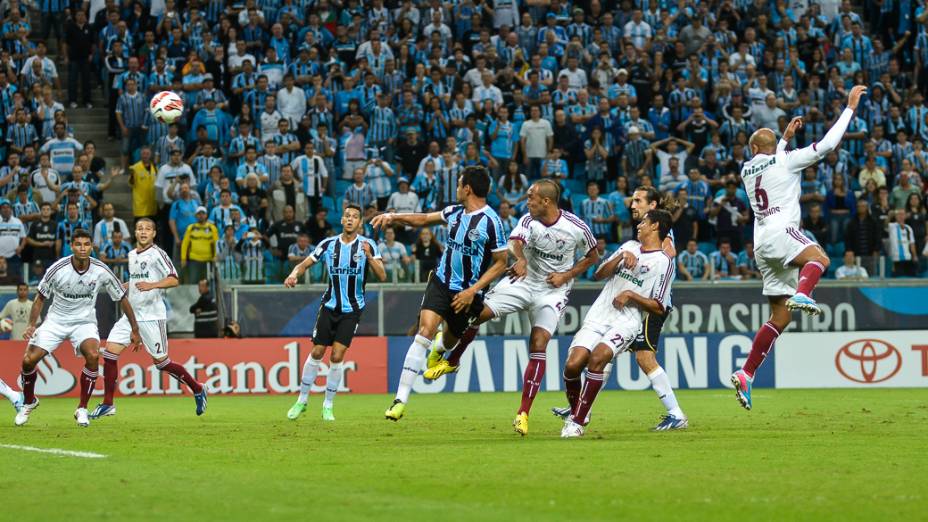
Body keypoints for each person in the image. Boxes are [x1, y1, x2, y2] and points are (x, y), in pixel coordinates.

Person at [425, 179, 598, 436]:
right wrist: (520, 259)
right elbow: (516, 242)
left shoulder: (576, 227)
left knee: (539, 344)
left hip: (553, 291)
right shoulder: (529, 220)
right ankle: (453, 360)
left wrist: (567, 275)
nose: (527, 201)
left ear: (546, 201)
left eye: (531, 197)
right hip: (523, 281)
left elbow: (593, 257)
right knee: (476, 314)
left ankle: (523, 413)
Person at [731, 85, 867, 411]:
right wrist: (849, 108)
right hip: (783, 230)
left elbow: (769, 157)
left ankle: (747, 372)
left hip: (762, 244)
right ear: (768, 147)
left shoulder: (747, 169)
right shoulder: (787, 162)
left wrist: (783, 139)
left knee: (780, 316)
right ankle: (805, 292)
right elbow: (829, 144)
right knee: (819, 257)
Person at [371, 166, 508, 421]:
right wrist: (393, 216)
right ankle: (400, 400)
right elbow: (423, 219)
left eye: (458, 184)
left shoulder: (491, 221)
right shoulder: (455, 212)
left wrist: (473, 290)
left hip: (467, 294)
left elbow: (501, 261)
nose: (456, 188)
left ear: (467, 188)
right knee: (424, 332)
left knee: (449, 340)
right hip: (442, 283)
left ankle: (441, 347)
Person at [560, 210, 674, 438]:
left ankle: (578, 422)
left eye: (644, 222)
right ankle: (577, 412)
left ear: (656, 226)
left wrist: (632, 295)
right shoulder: (628, 246)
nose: (639, 225)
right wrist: (619, 258)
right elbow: (598, 274)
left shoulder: (664, 262)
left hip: (626, 322)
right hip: (599, 315)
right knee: (572, 366)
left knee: (598, 358)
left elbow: (659, 306)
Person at [14, 229, 141, 427]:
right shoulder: (58, 268)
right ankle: (29, 401)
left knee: (93, 356)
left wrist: (135, 328)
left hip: (84, 322)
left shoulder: (101, 270)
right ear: (71, 246)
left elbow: (122, 298)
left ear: (92, 246)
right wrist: (31, 324)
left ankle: (82, 408)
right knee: (28, 361)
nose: (83, 248)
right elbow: (40, 297)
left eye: (86, 244)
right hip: (56, 321)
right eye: (78, 244)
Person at [90, 219, 207, 419]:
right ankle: (108, 403)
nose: (143, 232)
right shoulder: (131, 254)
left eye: (148, 229)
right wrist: (126, 285)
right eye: (140, 229)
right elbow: (138, 281)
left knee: (161, 363)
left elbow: (174, 279)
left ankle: (197, 388)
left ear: (153, 234)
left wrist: (153, 285)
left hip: (152, 316)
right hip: (131, 315)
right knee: (110, 353)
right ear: (135, 233)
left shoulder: (157, 254)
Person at [284, 204, 386, 421]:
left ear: (360, 223)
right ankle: (301, 401)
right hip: (330, 306)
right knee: (317, 352)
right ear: (342, 220)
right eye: (347, 216)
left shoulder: (368, 245)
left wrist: (369, 257)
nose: (350, 219)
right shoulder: (328, 244)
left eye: (355, 217)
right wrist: (294, 274)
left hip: (352, 309)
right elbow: (305, 264)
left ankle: (328, 405)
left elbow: (383, 275)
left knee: (337, 355)